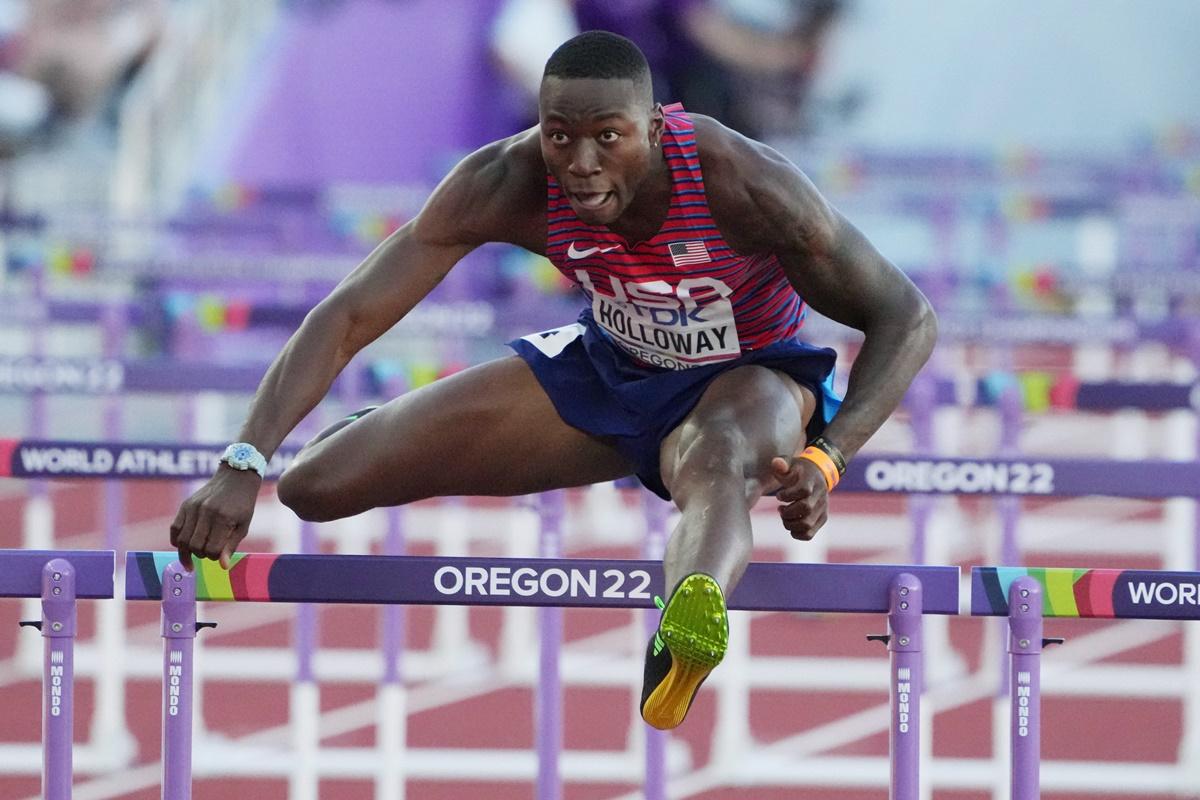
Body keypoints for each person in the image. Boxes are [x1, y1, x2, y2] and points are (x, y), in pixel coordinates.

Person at [170, 30, 936, 731]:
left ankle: (687, 625)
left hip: (750, 377)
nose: (581, 162)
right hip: (607, 370)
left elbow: (906, 316)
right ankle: (356, 435)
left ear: (656, 127)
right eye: (560, 135)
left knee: (720, 457)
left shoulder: (742, 182)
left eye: (609, 137)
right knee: (314, 486)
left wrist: (828, 455)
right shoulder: (508, 180)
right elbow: (347, 314)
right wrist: (244, 461)